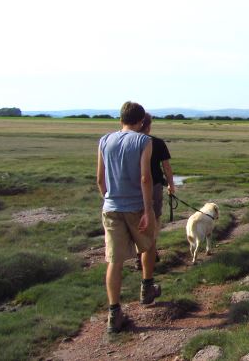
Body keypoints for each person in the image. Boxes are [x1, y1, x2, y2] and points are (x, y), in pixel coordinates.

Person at [96, 101, 162, 334]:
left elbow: (100, 180)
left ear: (121, 118)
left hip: (111, 206)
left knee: (114, 260)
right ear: (142, 121)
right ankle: (147, 288)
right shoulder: (144, 141)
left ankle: (114, 313)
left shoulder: (104, 140)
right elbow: (145, 178)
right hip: (136, 206)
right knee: (148, 245)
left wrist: (108, 199)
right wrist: (147, 209)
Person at [134, 113, 176, 270]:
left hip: (133, 187)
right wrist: (171, 185)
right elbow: (166, 167)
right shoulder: (157, 142)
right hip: (154, 186)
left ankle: (141, 254)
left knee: (136, 220)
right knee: (155, 219)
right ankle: (150, 251)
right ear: (149, 125)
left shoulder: (129, 143)